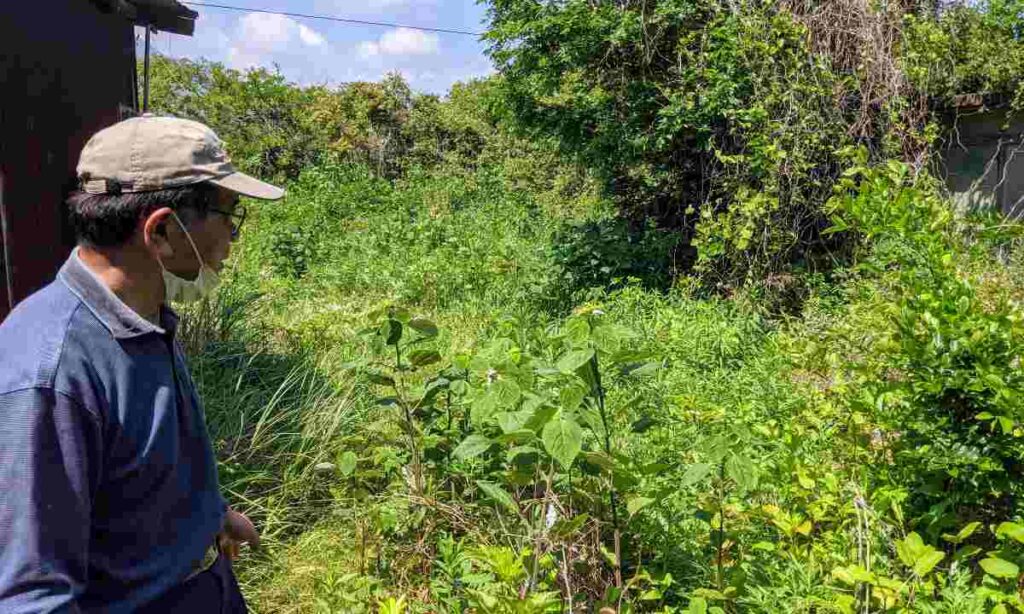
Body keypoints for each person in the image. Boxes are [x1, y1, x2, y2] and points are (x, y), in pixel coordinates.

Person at [0, 114, 285, 612]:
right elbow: (33, 596)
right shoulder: (51, 374)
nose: (234, 238)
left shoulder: (142, 315)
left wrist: (209, 517)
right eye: (228, 215)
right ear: (163, 233)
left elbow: (133, 470)